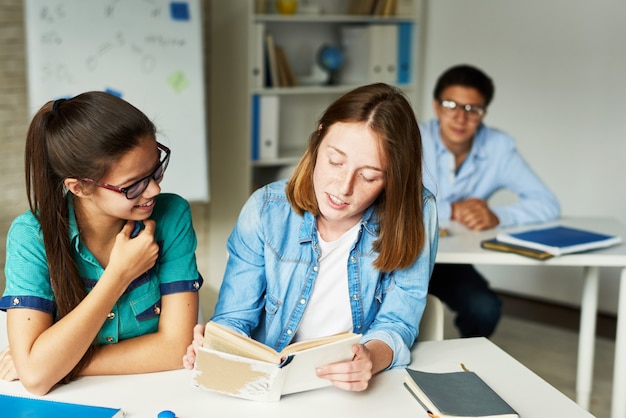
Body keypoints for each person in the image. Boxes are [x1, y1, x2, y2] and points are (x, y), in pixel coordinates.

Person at [183, 83, 438, 391]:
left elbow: (398, 322)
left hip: (353, 391)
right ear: (319, 138)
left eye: (369, 176)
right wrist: (215, 345)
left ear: (394, 177)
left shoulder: (417, 211)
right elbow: (235, 317)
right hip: (272, 387)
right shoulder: (266, 209)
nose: (344, 188)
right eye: (335, 161)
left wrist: (370, 357)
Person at [0, 91, 203, 395]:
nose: (154, 189)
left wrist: (58, 364)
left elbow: (176, 348)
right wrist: (118, 275)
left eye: (155, 169)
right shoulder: (31, 236)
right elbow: (36, 379)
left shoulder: (172, 215)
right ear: (79, 186)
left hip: (157, 393)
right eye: (133, 185)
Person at [421, 64, 560, 338]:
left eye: (473, 109)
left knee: (485, 308)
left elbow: (547, 203)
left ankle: (465, 362)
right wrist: (452, 210)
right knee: (404, 316)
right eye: (451, 105)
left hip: (448, 261)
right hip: (404, 252)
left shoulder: (498, 147)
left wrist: (497, 216)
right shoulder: (410, 139)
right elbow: (384, 202)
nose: (461, 118)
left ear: (484, 113)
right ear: (436, 107)